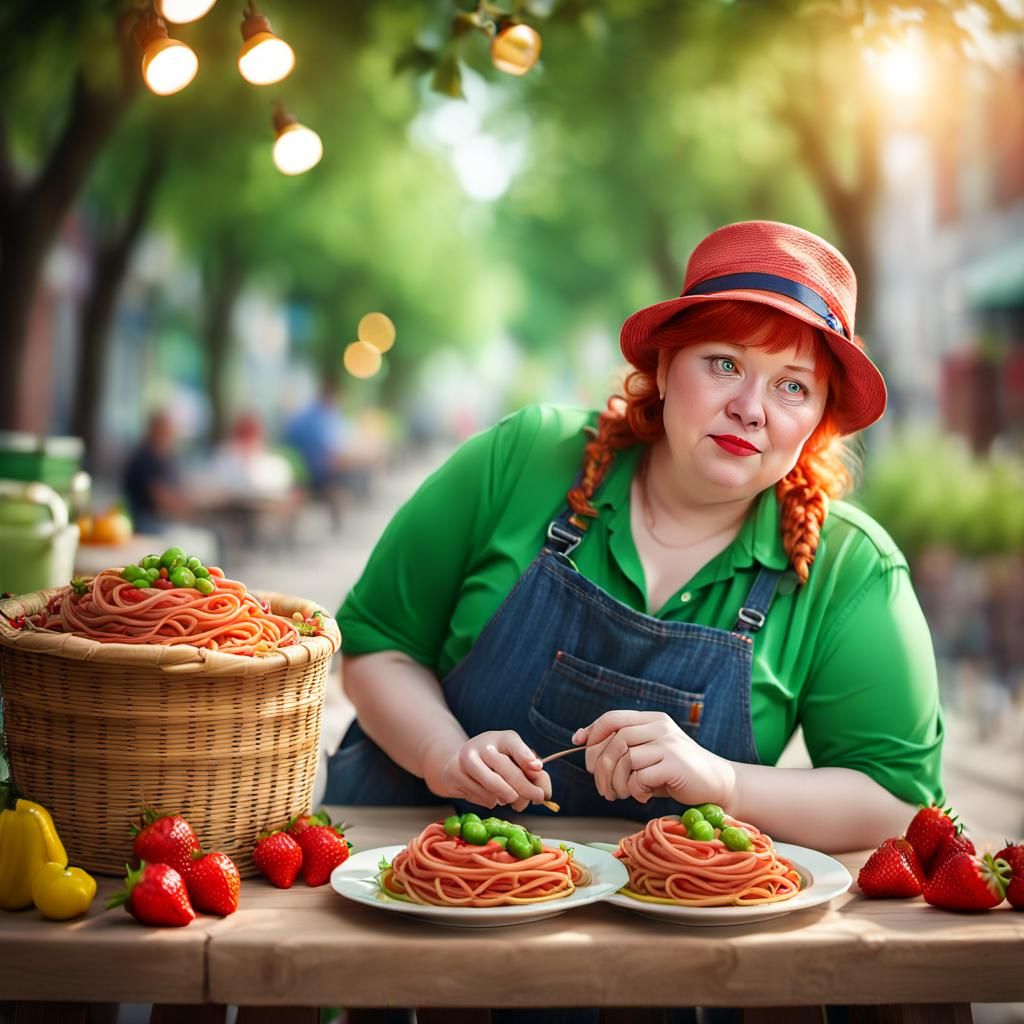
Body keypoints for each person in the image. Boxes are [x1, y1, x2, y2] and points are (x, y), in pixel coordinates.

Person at [326, 220, 944, 855]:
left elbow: (897, 802)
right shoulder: (524, 458)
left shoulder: (851, 568)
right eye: (725, 363)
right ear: (667, 366)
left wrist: (726, 783)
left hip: (672, 930)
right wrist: (442, 752)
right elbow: (377, 646)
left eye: (793, 385)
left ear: (817, 419)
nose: (752, 408)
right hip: (412, 880)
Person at [122, 409, 190, 534]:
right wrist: (187, 510)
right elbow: (160, 496)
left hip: (156, 519)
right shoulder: (146, 456)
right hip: (143, 520)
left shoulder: (163, 456)